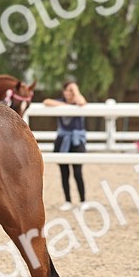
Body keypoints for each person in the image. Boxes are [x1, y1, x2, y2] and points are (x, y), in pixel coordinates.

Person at [43, 80, 88, 211]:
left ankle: (83, 200)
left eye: (71, 90)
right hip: (62, 140)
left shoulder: (78, 102)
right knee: (64, 172)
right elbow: (46, 102)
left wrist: (76, 91)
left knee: (78, 172)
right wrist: (65, 105)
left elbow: (82, 102)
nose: (69, 92)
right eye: (67, 89)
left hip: (76, 140)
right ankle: (67, 200)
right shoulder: (60, 101)